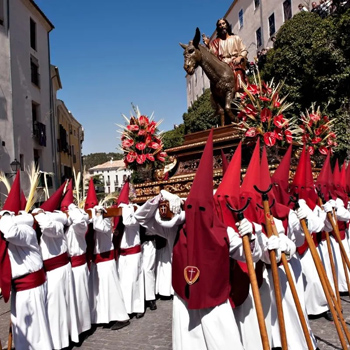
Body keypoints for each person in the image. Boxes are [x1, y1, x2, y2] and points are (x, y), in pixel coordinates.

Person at [202, 18, 248, 92]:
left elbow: (244, 50)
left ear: (227, 25)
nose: (222, 26)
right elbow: (212, 55)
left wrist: (240, 57)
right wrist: (208, 45)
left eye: (223, 23)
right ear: (218, 28)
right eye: (220, 25)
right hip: (223, 64)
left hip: (235, 63)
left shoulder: (236, 38)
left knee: (238, 71)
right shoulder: (216, 42)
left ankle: (239, 92)